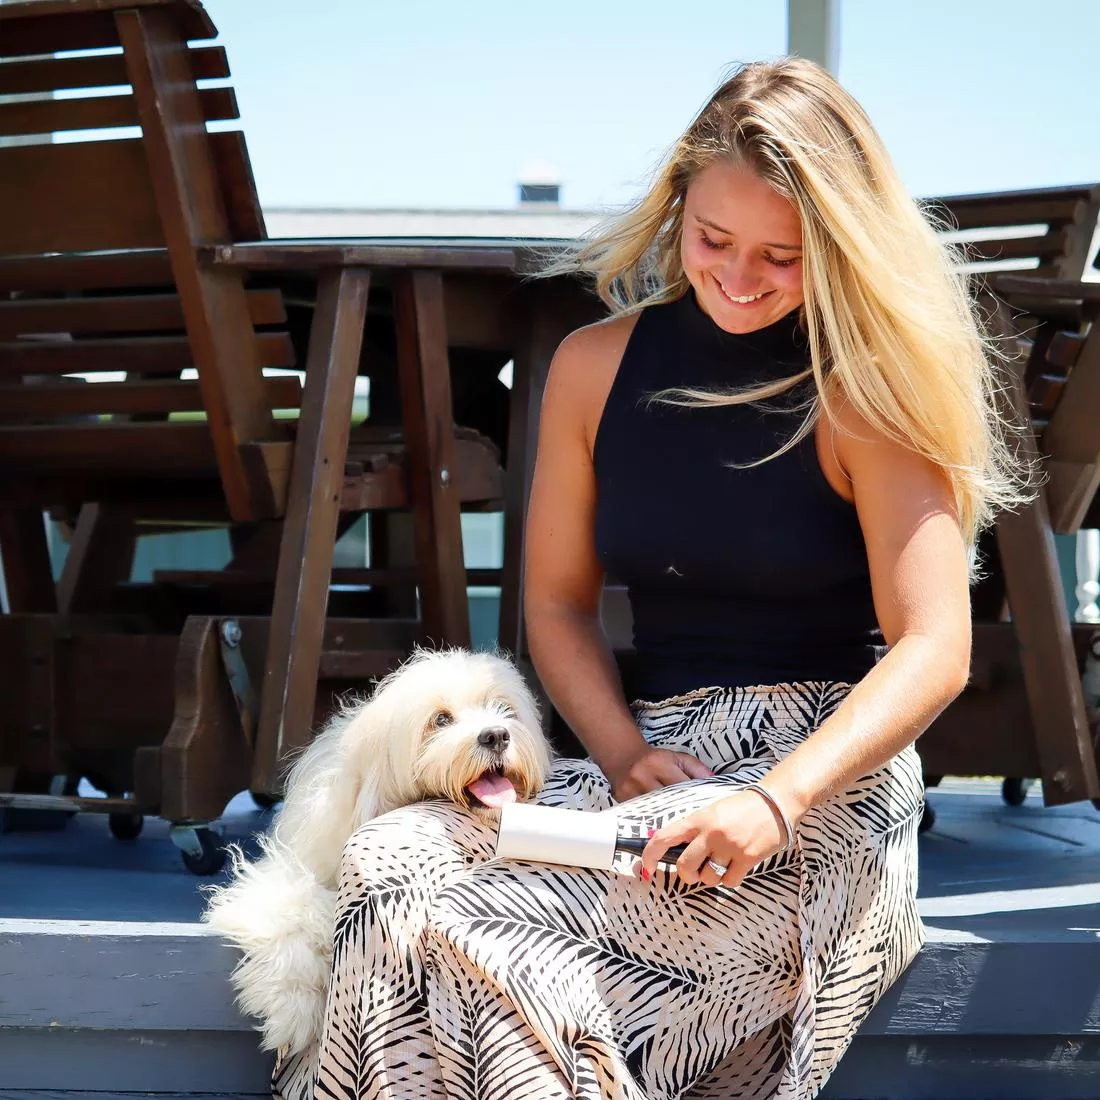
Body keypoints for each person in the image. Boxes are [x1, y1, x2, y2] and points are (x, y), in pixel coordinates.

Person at [278, 58, 1030, 1100]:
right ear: (676, 203)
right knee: (389, 858)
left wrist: (772, 800)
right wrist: (622, 750)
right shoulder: (593, 366)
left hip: (819, 788)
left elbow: (934, 647)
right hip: (653, 761)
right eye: (713, 239)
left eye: (781, 256)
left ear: (839, 246)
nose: (739, 276)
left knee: (477, 936)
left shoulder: (867, 388)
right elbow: (555, 604)